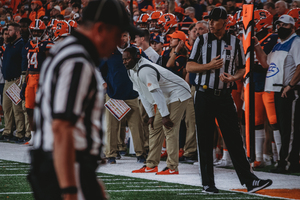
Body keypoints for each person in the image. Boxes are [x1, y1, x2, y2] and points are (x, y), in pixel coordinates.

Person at [27, 0, 140, 199]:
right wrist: (70, 189)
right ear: (100, 28)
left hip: (63, 164)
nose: (117, 42)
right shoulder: (77, 60)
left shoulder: (69, 50)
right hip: (64, 167)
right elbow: (61, 126)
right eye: (116, 34)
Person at [186, 7, 272, 193]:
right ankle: (208, 183)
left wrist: (233, 78)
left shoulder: (234, 41)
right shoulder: (202, 40)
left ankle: (249, 181)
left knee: (234, 138)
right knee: (205, 139)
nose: (210, 23)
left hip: (224, 96)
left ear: (225, 22)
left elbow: (242, 68)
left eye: (214, 20)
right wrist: (209, 66)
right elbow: (189, 66)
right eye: (209, 20)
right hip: (204, 93)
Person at [124, 47, 192, 175]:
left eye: (127, 58)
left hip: (178, 92)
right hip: (166, 96)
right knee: (154, 127)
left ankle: (172, 167)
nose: (124, 62)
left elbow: (156, 93)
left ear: (137, 57)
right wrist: (151, 114)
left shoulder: (145, 70)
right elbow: (142, 93)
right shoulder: (131, 71)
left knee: (170, 127)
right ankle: (151, 165)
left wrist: (165, 115)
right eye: (123, 59)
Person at [253, 15, 300, 174]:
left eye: (284, 25)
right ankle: (284, 159)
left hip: (289, 90)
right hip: (276, 89)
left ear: (292, 27)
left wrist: (291, 85)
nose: (280, 27)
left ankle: (287, 161)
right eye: (278, 24)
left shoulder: (296, 42)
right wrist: (257, 47)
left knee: (289, 128)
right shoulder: (278, 44)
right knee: (282, 127)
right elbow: (266, 63)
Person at [99, 32, 147, 164]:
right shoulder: (108, 51)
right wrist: (103, 82)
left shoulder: (136, 51)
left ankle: (140, 154)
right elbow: (99, 68)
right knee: (111, 127)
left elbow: (148, 65)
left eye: (124, 35)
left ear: (129, 37)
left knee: (137, 126)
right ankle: (111, 155)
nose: (122, 38)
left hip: (132, 94)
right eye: (119, 35)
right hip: (114, 94)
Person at [21, 19, 53, 146]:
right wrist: (24, 83)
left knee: (43, 109)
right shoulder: (29, 44)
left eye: (38, 31)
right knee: (29, 108)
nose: (36, 33)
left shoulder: (47, 44)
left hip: (42, 78)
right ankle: (34, 135)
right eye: (34, 31)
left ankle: (45, 135)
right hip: (30, 79)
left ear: (43, 31)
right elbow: (29, 66)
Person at [0, 23, 26, 143]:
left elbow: (24, 61)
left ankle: (20, 133)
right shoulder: (10, 45)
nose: (8, 32)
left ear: (17, 32)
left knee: (17, 109)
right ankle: (7, 131)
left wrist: (21, 75)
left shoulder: (21, 45)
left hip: (16, 81)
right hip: (7, 81)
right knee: (7, 108)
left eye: (10, 30)